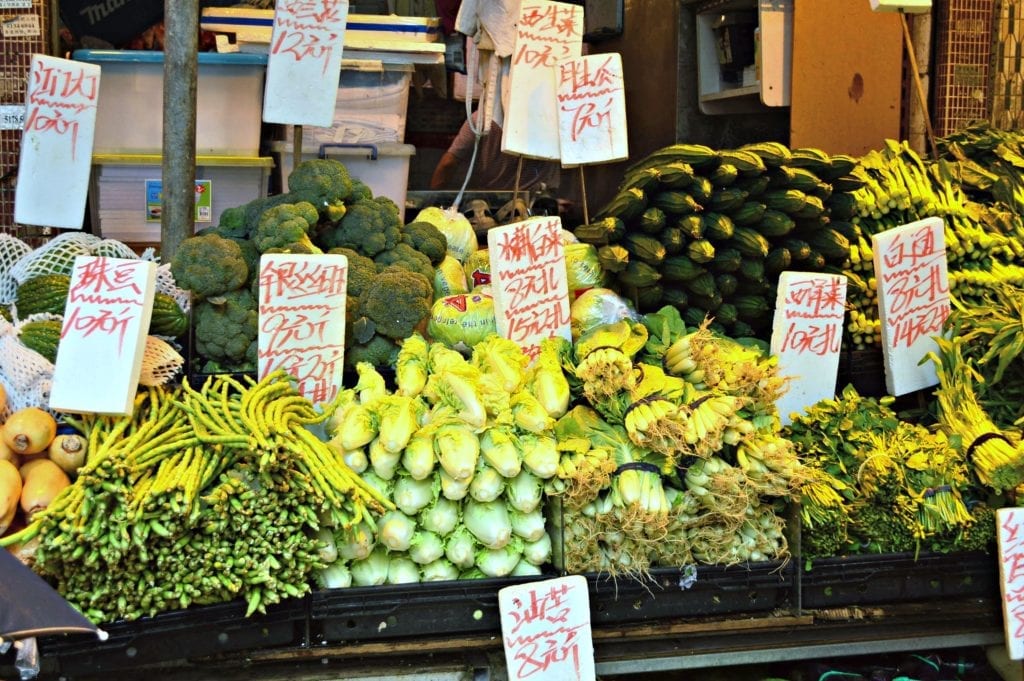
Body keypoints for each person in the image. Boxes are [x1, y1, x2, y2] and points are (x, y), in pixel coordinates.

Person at [430, 113, 562, 193]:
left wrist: (431, 202)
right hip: (534, 203)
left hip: (491, 203)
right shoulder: (551, 120)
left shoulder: (480, 119)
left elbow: (448, 163)